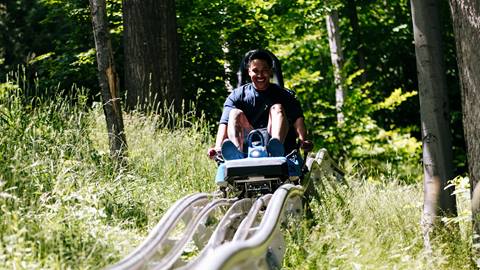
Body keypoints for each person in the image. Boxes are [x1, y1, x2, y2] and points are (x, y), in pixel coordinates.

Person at [207, 49, 312, 160]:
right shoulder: (237, 95)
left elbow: (298, 120)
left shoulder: (285, 95)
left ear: (270, 71)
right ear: (249, 72)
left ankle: (276, 150)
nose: (260, 75)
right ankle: (237, 155)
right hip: (248, 141)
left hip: (274, 139)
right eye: (255, 71)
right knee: (234, 113)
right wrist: (218, 147)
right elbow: (224, 123)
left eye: (264, 70)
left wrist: (303, 141)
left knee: (277, 108)